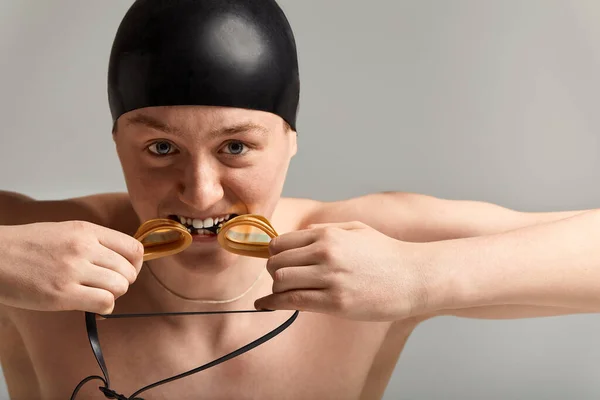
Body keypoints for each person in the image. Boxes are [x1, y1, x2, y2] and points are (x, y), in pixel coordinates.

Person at [1, 0, 599, 398]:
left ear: (290, 141)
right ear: (117, 143)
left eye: (236, 147)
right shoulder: (31, 246)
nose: (201, 191)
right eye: (161, 148)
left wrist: (421, 275)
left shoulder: (375, 247)